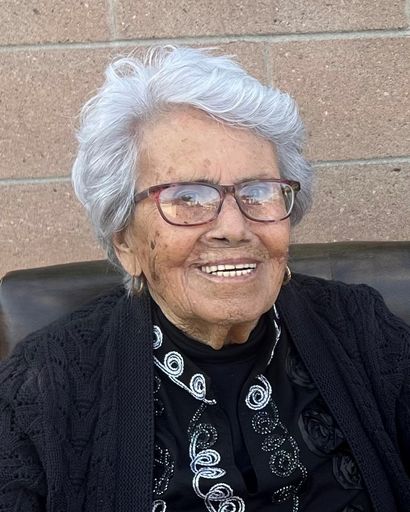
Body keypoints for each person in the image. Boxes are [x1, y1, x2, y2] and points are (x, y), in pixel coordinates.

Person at [0, 46, 409, 512]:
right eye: (188, 198)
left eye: (259, 192)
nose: (234, 228)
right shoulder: (44, 387)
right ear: (126, 242)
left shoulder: (360, 327)